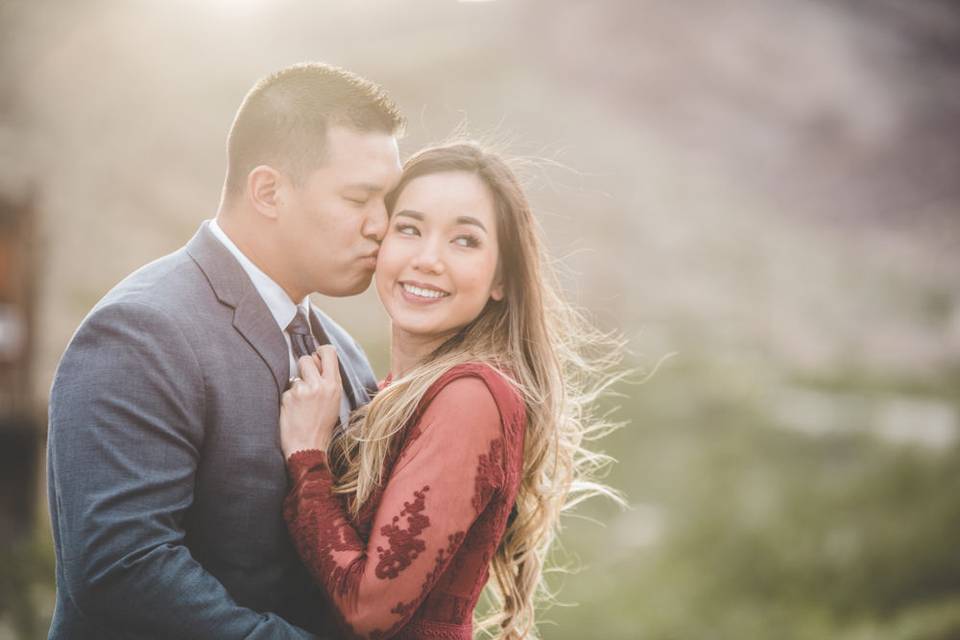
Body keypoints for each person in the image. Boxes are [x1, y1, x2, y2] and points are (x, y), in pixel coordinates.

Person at [46, 62, 403, 639]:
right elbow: (123, 571)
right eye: (360, 197)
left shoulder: (346, 356)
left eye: (388, 200)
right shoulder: (140, 330)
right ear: (268, 191)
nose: (382, 225)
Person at [279, 142, 621, 640]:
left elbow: (368, 610)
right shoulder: (406, 392)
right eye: (410, 229)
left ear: (501, 277)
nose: (427, 259)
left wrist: (308, 459)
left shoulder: (471, 398)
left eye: (464, 241)